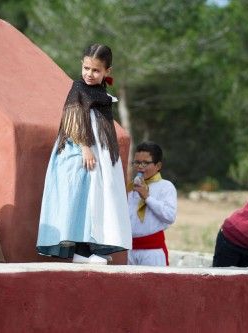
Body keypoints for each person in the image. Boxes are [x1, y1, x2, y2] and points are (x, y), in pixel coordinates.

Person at [37, 43, 132, 264]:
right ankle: (80, 251)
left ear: (107, 71)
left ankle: (90, 246)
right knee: (80, 199)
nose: (89, 74)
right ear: (82, 65)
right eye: (86, 68)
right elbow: (72, 118)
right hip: (77, 153)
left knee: (96, 199)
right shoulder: (78, 88)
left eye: (96, 70)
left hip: (96, 154)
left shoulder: (100, 93)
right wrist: (84, 147)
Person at [127, 142, 177, 266]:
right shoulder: (130, 187)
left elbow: (170, 216)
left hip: (152, 251)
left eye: (145, 163)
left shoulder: (166, 186)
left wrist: (147, 198)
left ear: (158, 165)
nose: (140, 167)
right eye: (137, 162)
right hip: (129, 250)